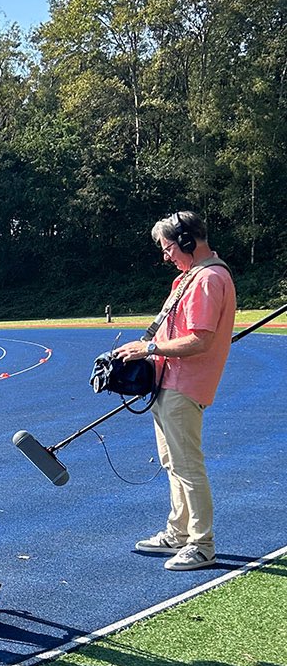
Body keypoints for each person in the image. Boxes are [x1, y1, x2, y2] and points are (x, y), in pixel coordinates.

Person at [115, 211, 236, 571]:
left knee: (187, 465)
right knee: (172, 463)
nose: (166, 256)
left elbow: (199, 340)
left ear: (187, 241)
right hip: (168, 381)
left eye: (168, 248)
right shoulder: (190, 277)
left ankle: (202, 544)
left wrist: (148, 350)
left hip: (186, 383)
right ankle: (179, 532)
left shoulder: (208, 279)